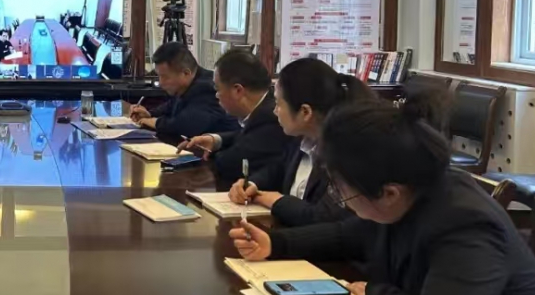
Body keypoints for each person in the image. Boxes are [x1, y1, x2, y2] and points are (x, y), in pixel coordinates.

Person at [229, 100, 535, 295]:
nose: (341, 199)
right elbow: (350, 234)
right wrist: (276, 244)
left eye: (341, 191)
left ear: (390, 193)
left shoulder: (466, 225)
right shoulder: (412, 190)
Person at [228, 57, 373, 227]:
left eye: (278, 104)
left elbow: (322, 217)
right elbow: (277, 169)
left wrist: (272, 200)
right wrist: (251, 184)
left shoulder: (345, 152)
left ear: (305, 112)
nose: (275, 112)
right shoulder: (299, 140)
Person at [179, 50, 294, 189]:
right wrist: (215, 140)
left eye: (218, 89)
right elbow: (245, 137)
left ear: (238, 90)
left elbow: (228, 163)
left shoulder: (271, 118)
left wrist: (204, 153)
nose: (216, 95)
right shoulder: (264, 106)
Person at [129, 42, 238, 142]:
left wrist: (154, 122)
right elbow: (172, 105)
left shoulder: (207, 88)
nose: (161, 83)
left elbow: (185, 125)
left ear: (186, 73)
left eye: (165, 77)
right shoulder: (186, 86)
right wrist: (150, 114)